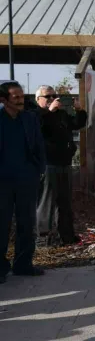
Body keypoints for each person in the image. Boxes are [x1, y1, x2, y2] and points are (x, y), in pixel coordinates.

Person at [0, 82, 47, 282]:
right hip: (2, 182)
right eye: (16, 97)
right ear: (3, 100)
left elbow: (38, 145)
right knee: (2, 224)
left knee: (27, 223)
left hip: (26, 179)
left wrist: (39, 170)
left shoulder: (29, 118)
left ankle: (23, 264)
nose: (21, 100)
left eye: (21, 96)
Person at [35, 85, 87, 246]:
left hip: (64, 162)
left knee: (64, 202)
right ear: (38, 100)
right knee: (47, 202)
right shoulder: (36, 115)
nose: (52, 99)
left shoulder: (62, 114)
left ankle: (67, 235)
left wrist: (79, 111)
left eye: (54, 96)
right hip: (48, 164)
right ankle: (43, 238)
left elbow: (77, 124)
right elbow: (37, 130)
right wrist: (48, 112)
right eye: (47, 96)